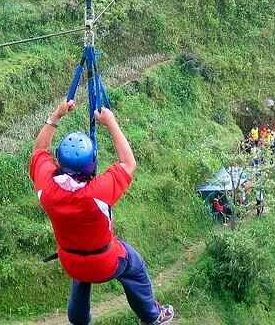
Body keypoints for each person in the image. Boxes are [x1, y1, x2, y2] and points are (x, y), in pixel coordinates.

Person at [30, 100, 175, 325]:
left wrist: (56, 116)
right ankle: (152, 316)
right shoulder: (96, 193)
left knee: (81, 275)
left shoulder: (47, 188)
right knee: (135, 266)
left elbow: (39, 151)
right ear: (91, 166)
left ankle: (78, 321)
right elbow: (128, 163)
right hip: (106, 262)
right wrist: (111, 122)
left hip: (71, 261)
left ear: (59, 160)